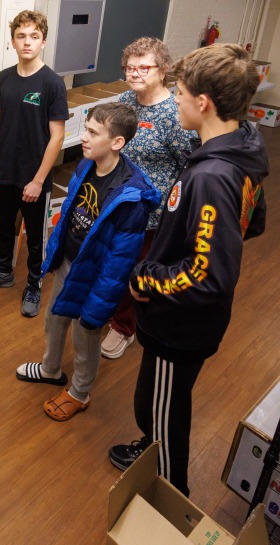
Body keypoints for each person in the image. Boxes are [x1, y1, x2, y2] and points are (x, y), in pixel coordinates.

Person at [109, 44, 268, 497]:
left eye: (179, 93)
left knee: (160, 414)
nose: (174, 100)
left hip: (179, 324)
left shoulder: (210, 176)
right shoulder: (240, 150)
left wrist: (146, 279)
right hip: (183, 319)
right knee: (158, 401)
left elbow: (208, 276)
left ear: (203, 103)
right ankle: (152, 452)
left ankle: (167, 496)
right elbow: (253, 222)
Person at [15, 103, 159, 420]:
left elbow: (120, 262)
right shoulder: (85, 164)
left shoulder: (131, 198)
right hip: (71, 262)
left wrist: (99, 305)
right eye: (86, 129)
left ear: (117, 142)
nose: (84, 137)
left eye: (93, 133)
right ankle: (51, 369)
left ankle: (80, 392)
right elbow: (70, 213)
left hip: (98, 276)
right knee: (54, 318)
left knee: (86, 333)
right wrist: (55, 253)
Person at [100, 37, 195, 359]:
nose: (135, 74)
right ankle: (110, 311)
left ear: (163, 70)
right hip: (118, 202)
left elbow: (188, 168)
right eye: (130, 68)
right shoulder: (126, 101)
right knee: (112, 263)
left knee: (136, 269)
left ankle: (124, 327)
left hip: (151, 213)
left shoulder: (174, 113)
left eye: (144, 67)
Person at [0, 10, 68, 317]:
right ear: (13, 41)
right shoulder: (4, 78)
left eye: (34, 36)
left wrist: (39, 180)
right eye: (21, 36)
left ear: (43, 41)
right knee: (3, 226)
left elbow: (57, 137)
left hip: (33, 178)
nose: (27, 42)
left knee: (36, 237)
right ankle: (4, 272)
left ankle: (34, 284)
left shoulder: (52, 83)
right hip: (3, 172)